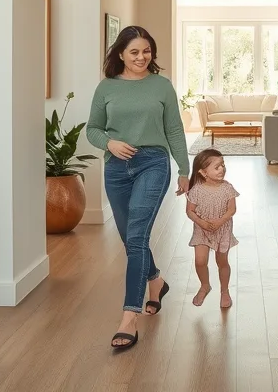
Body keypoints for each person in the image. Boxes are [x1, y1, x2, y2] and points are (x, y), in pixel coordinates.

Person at [86, 25, 190, 351]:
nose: (142, 57)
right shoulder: (106, 87)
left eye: (147, 51)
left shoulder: (161, 86)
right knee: (131, 237)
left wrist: (184, 169)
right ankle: (156, 281)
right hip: (117, 168)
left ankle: (129, 317)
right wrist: (109, 143)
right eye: (134, 52)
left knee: (136, 238)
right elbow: (92, 129)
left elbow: (174, 129)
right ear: (121, 54)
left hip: (153, 164)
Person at [185, 148, 239, 309]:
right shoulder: (196, 190)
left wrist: (220, 221)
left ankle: (224, 291)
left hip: (222, 230)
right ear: (203, 172)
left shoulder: (227, 188)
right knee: (200, 261)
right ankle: (205, 285)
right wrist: (201, 223)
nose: (222, 169)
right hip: (202, 230)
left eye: (223, 165)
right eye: (217, 167)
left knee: (222, 262)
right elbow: (190, 211)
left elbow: (232, 209)